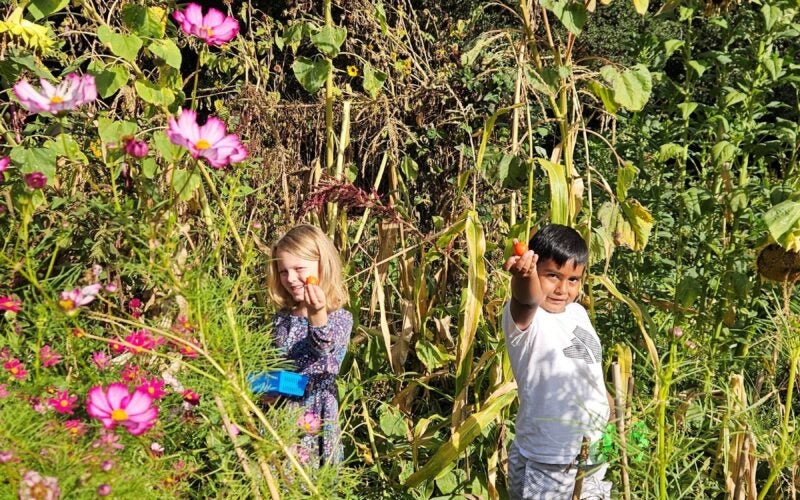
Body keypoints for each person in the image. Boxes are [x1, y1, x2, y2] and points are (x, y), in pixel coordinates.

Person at [502, 224, 612, 499]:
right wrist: (524, 276)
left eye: (573, 279)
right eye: (552, 275)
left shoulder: (577, 314)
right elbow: (526, 297)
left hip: (595, 448)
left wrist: (614, 413)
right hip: (549, 455)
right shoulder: (527, 318)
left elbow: (590, 370)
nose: (563, 288)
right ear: (535, 268)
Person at [267, 224, 352, 467]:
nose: (291, 278)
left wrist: (318, 315)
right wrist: (266, 387)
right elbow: (275, 362)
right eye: (283, 271)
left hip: (316, 412)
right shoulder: (282, 319)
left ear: (322, 266)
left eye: (299, 269)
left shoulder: (340, 318)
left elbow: (327, 360)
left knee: (313, 479)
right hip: (281, 413)